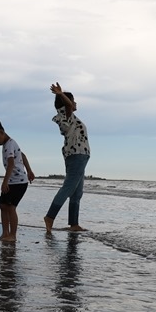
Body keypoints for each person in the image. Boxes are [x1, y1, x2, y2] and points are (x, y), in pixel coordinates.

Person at [44, 82, 90, 234]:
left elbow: (69, 105)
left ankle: (74, 224)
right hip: (77, 155)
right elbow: (69, 105)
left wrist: (62, 95)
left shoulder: (68, 116)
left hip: (79, 156)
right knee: (68, 188)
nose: (75, 103)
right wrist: (60, 94)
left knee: (77, 193)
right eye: (73, 100)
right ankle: (50, 216)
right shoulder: (66, 114)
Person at [0, 117, 35, 242]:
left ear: (1, 132)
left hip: (19, 183)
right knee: (2, 206)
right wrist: (29, 170)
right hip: (12, 182)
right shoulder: (8, 144)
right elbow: (22, 155)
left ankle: (13, 234)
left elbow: (11, 163)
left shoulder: (10, 143)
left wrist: (5, 181)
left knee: (11, 207)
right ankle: (5, 232)